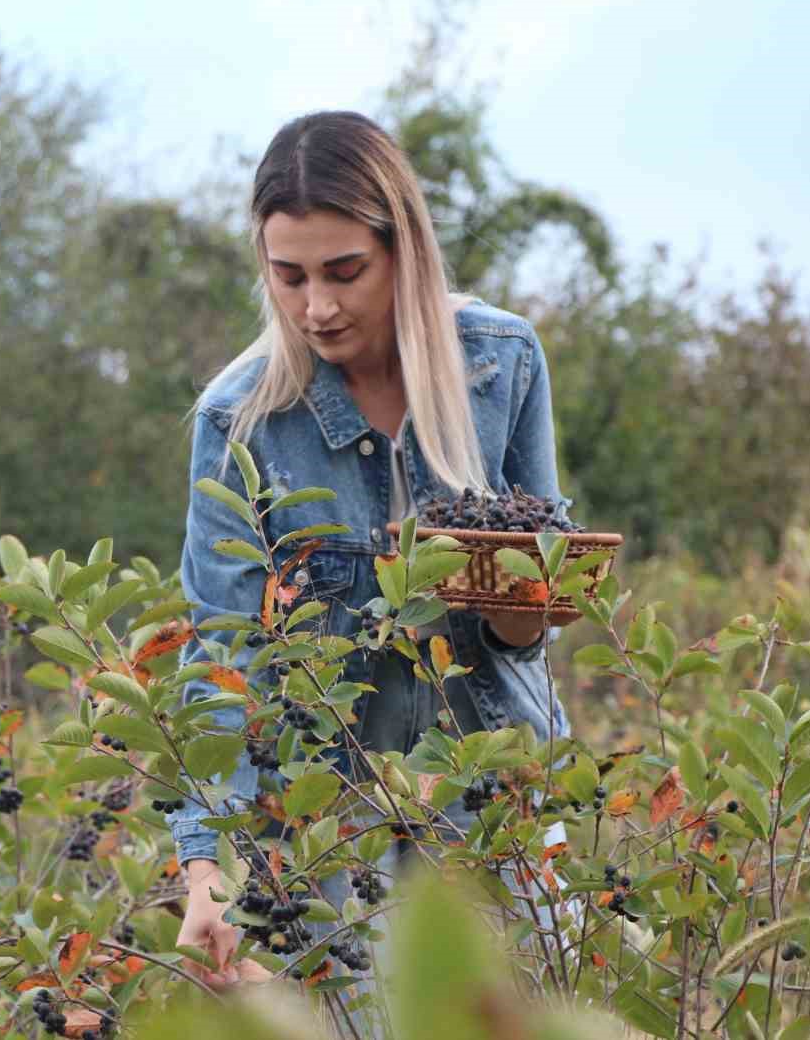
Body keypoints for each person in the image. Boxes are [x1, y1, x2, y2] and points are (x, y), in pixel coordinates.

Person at [170, 110, 575, 1005]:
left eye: (345, 271)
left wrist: (520, 602)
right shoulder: (240, 424)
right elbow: (224, 653)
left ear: (405, 253)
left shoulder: (500, 366)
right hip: (328, 824)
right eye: (290, 276)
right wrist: (210, 868)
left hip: (488, 806)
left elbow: (529, 625)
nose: (317, 306)